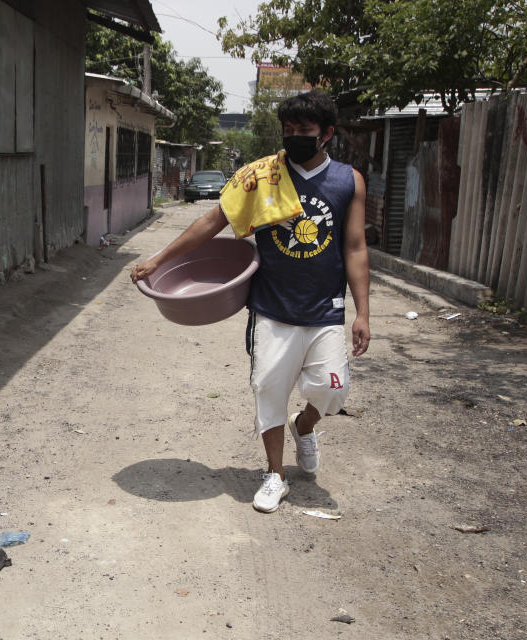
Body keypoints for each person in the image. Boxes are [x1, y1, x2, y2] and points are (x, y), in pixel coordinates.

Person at [131, 90, 370, 513]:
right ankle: (275, 474)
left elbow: (354, 247)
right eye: (289, 129)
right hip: (272, 307)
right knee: (268, 390)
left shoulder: (348, 181)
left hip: (325, 310)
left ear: (327, 134)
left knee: (334, 390)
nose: (294, 137)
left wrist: (363, 312)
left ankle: (305, 426)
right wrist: (159, 259)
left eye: (305, 131)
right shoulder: (261, 176)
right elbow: (211, 220)